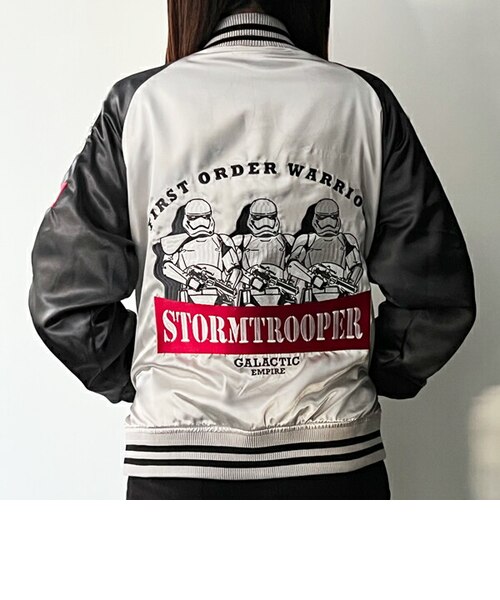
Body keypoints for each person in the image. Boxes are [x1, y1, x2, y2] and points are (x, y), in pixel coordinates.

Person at [28, 0, 476, 500]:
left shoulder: (141, 105)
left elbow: (64, 297)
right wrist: (358, 373)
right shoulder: (363, 102)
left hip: (177, 465)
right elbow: (436, 296)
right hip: (336, 456)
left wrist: (156, 378)